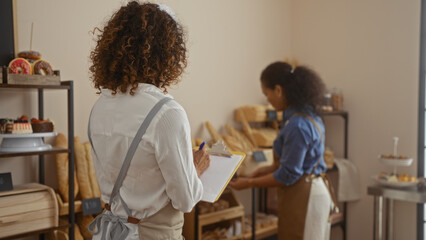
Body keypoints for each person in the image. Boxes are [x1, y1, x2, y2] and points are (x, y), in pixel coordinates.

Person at [87, 2, 210, 239]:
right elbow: (185, 200)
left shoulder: (100, 106)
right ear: (168, 53)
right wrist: (194, 168)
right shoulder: (167, 113)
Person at [229, 61, 333, 240]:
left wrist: (249, 183)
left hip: (306, 197)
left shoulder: (297, 125)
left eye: (266, 94)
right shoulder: (307, 116)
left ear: (278, 90)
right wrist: (265, 170)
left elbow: (289, 174)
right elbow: (296, 161)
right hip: (310, 191)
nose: (267, 100)